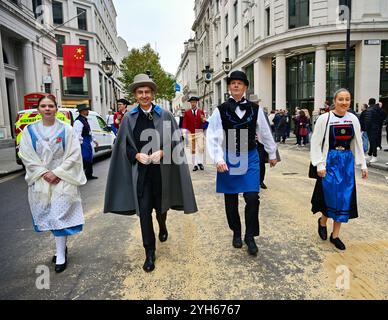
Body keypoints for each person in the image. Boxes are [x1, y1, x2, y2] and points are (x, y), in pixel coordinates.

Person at [104, 73, 197, 272]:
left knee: (160, 208)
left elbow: (176, 141)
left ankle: (162, 224)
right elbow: (123, 146)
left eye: (147, 92)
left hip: (161, 173)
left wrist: (163, 151)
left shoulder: (165, 115)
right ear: (136, 95)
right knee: (144, 212)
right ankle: (149, 252)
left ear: (153, 94)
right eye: (140, 92)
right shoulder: (129, 118)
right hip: (141, 174)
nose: (144, 95)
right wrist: (136, 155)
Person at [206, 71, 277, 256]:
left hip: (251, 154)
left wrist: (271, 152)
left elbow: (265, 131)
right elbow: (212, 136)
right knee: (230, 199)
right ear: (229, 87)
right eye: (233, 83)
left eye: (240, 83)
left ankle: (250, 236)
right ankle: (236, 232)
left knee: (252, 198)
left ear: (245, 87)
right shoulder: (219, 110)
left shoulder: (256, 109)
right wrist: (218, 159)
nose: (236, 86)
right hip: (229, 155)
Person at [19, 94, 86, 273]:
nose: (47, 109)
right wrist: (43, 172)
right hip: (41, 179)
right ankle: (61, 246)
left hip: (63, 178)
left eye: (51, 106)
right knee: (49, 214)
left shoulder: (66, 130)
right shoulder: (29, 131)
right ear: (38, 109)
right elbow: (25, 154)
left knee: (59, 215)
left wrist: (57, 172)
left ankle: (60, 255)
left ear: (56, 108)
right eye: (44, 106)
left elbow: (73, 153)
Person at [310, 88, 368, 251]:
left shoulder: (353, 119)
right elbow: (315, 143)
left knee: (344, 197)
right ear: (334, 101)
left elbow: (358, 143)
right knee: (329, 196)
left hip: (346, 162)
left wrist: (363, 164)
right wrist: (319, 164)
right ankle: (322, 222)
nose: (344, 102)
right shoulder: (324, 118)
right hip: (329, 161)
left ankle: (335, 235)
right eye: (340, 99)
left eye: (347, 99)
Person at [73, 104, 99, 180]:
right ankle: (82, 175)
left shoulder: (84, 119)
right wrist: (80, 144)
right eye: (86, 110)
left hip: (86, 140)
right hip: (83, 141)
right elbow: (77, 134)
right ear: (82, 111)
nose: (88, 111)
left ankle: (88, 174)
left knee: (89, 158)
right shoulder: (78, 121)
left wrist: (94, 140)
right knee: (85, 158)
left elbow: (89, 131)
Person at [182, 96, 206, 171]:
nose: (193, 103)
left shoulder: (201, 112)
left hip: (199, 132)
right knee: (193, 149)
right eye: (192, 102)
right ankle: (195, 164)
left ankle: (200, 163)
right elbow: (184, 123)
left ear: (196, 103)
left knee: (201, 148)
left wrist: (203, 119)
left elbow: (204, 123)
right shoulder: (187, 112)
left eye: (194, 102)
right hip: (191, 133)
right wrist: (184, 132)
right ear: (190, 103)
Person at [364, 98, 386, 163]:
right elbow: (384, 115)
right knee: (373, 141)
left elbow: (368, 120)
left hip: (371, 128)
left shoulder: (369, 109)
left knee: (372, 142)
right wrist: (379, 122)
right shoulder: (378, 108)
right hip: (377, 127)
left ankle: (374, 156)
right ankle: (370, 154)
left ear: (369, 102)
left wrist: (366, 128)